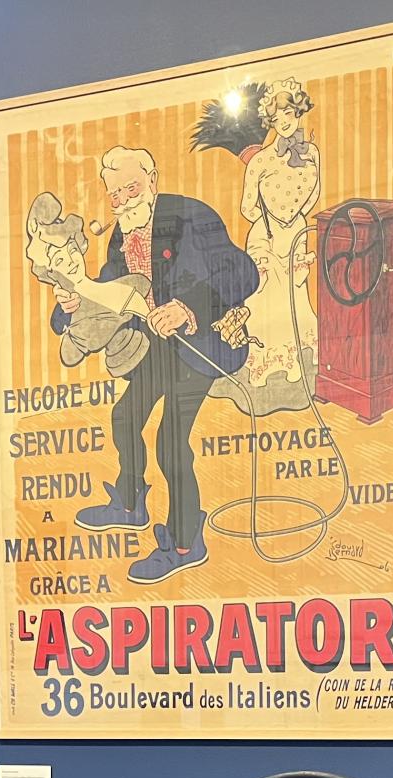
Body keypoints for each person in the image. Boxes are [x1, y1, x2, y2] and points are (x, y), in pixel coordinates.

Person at [57, 145, 257, 583]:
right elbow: (112, 287)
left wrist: (187, 308)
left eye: (132, 188)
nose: (124, 200)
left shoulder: (192, 216)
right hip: (155, 347)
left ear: (153, 179)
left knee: (170, 439)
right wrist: (72, 304)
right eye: (116, 194)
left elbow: (243, 272)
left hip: (201, 342)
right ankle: (130, 505)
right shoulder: (121, 232)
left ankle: (186, 542)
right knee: (125, 416)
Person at [228, 78, 322, 415]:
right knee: (263, 300)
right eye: (277, 115)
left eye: (289, 113)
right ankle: (262, 368)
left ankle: (296, 364)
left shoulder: (311, 153)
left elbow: (314, 193)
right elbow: (247, 207)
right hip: (265, 237)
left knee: (295, 298)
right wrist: (272, 220)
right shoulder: (261, 161)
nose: (283, 120)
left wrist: (292, 219)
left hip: (296, 234)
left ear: (299, 112)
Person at [23, 191, 150, 377]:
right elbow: (68, 351)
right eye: (59, 260)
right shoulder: (69, 310)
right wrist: (65, 309)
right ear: (51, 273)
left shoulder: (110, 274)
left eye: (72, 250)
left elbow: (142, 283)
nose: (71, 261)